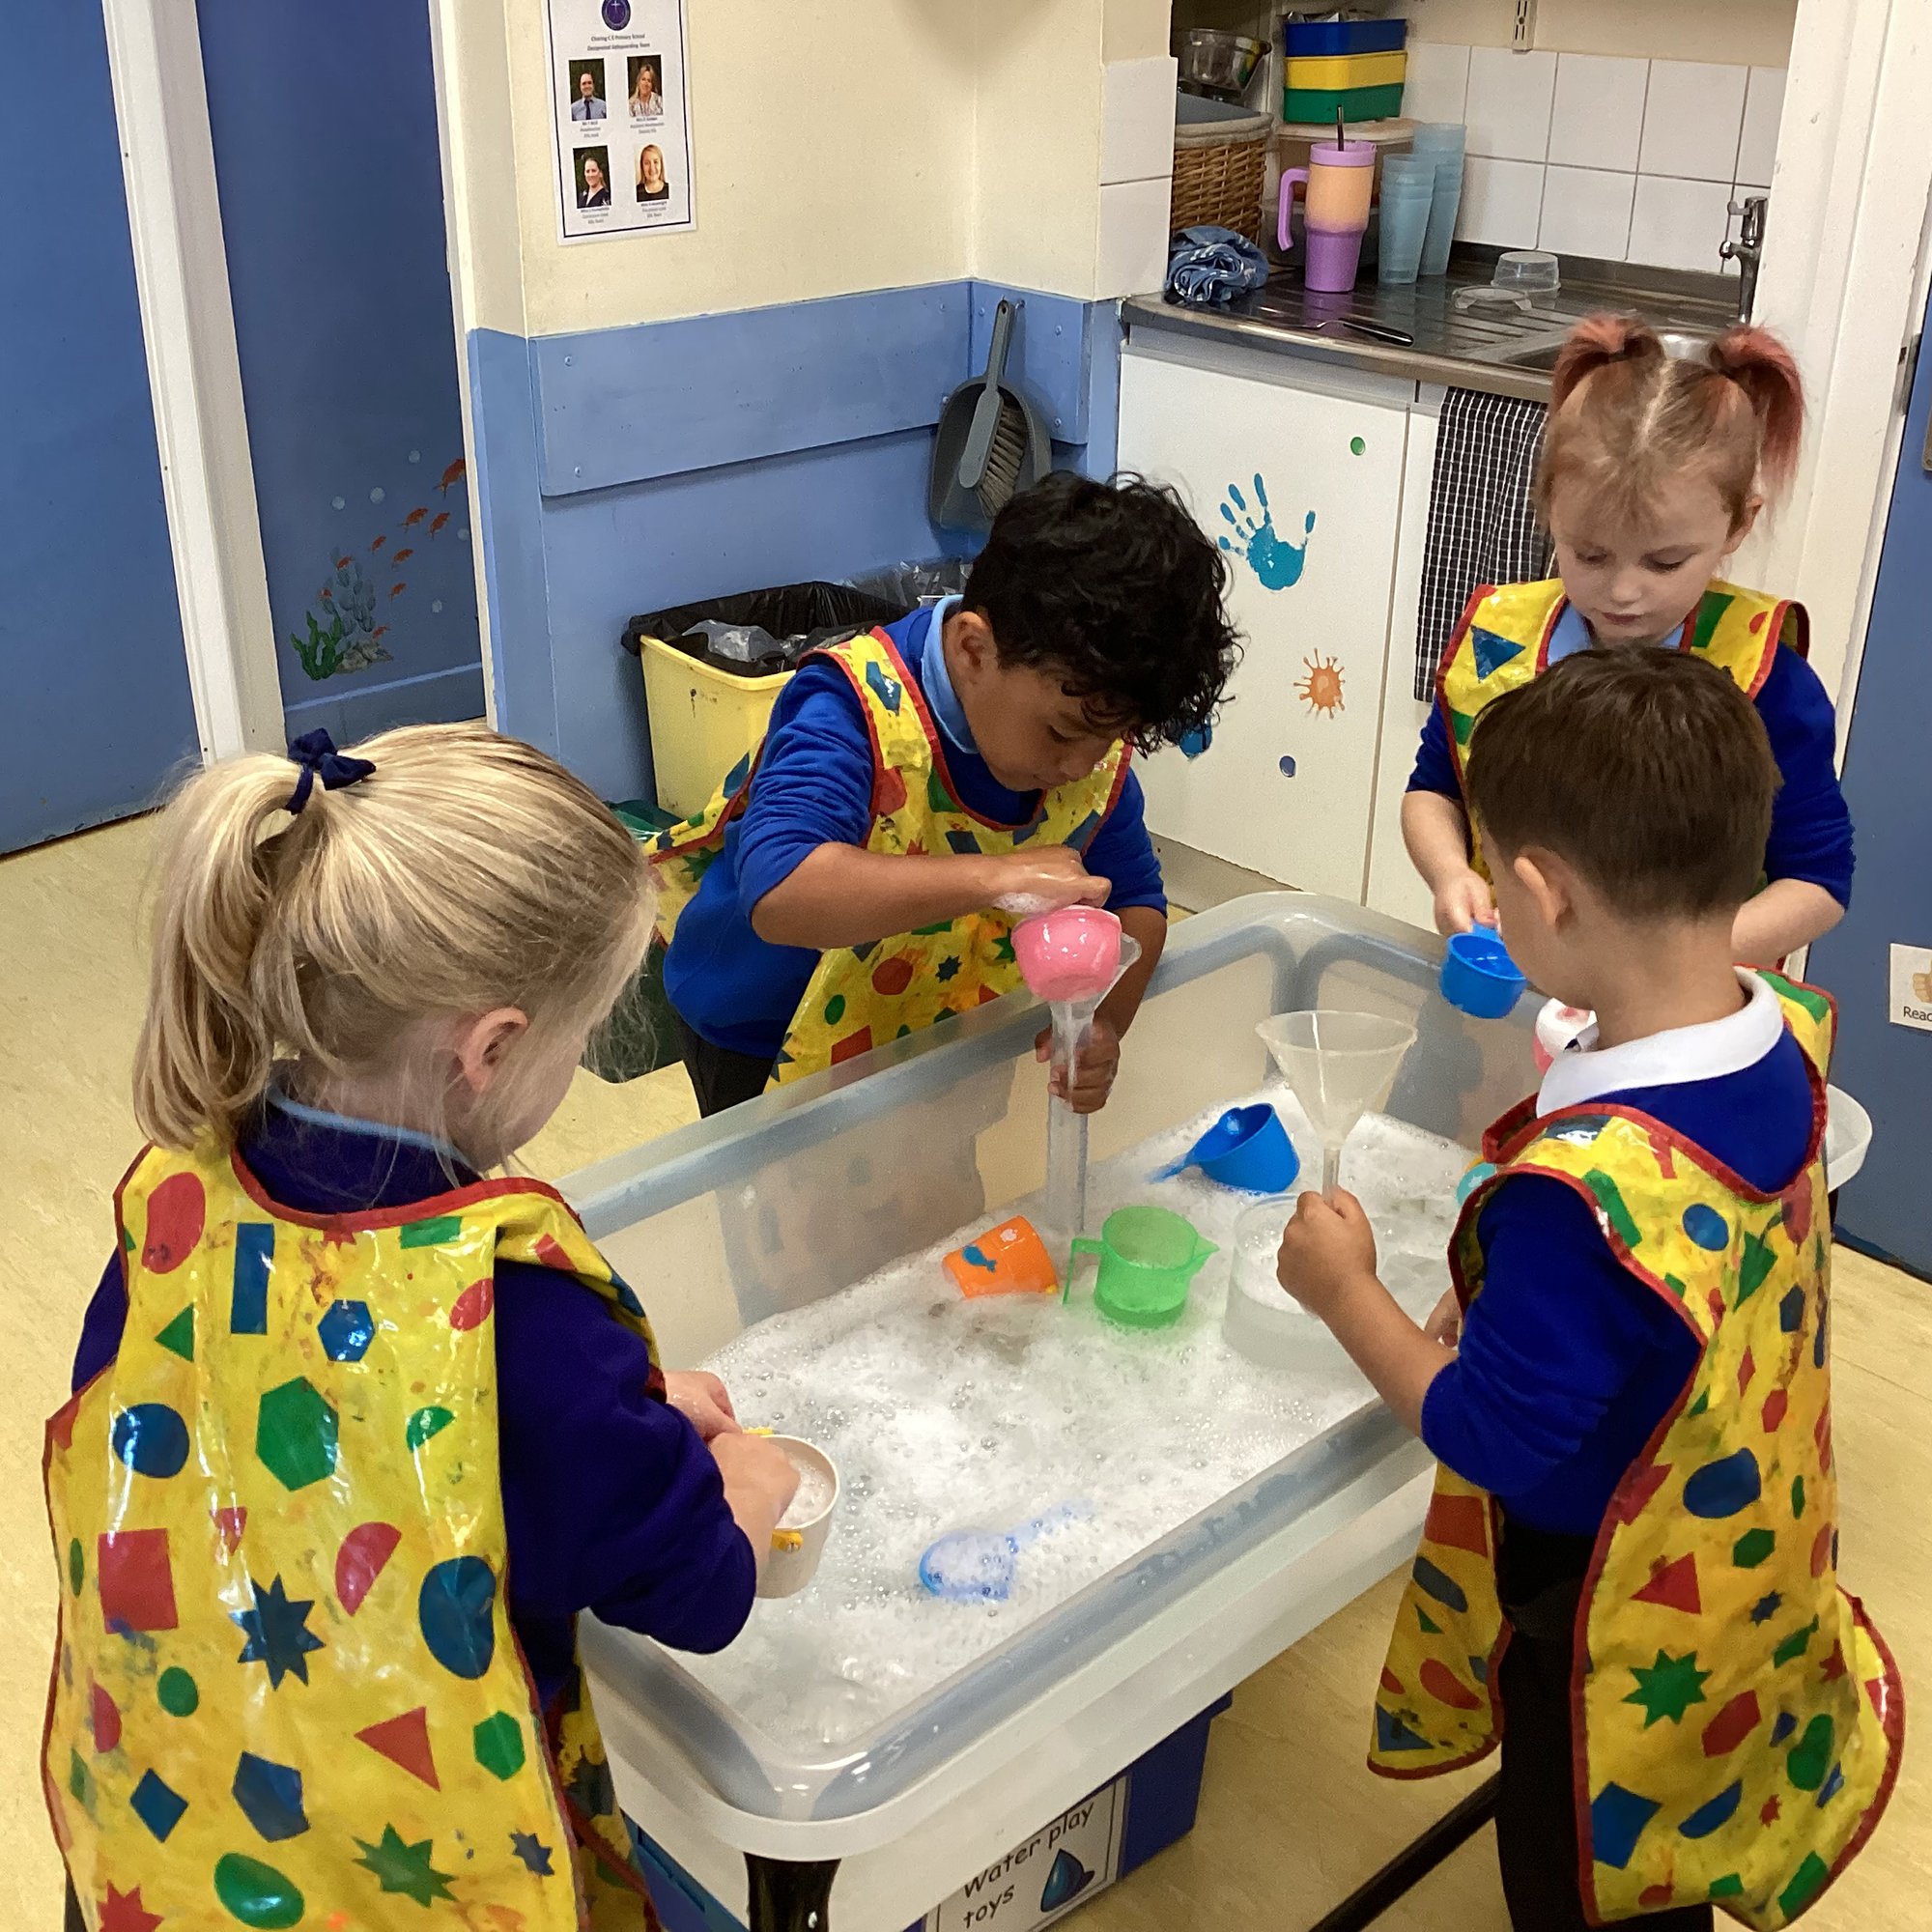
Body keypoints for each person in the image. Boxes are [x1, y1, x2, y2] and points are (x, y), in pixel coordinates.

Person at [44, 724, 799, 1932]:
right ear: (493, 1048)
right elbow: (698, 1593)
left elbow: (262, 1428)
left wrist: (635, 1428)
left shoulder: (173, 1200)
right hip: (394, 1881)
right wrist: (741, 1483)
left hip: (165, 1840)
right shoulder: (529, 1324)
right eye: (580, 1038)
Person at [1278, 651, 1900, 1930]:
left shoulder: (1582, 1198)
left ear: (1546, 894)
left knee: (1589, 1871)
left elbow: (1497, 1436)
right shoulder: (1779, 1036)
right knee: (1681, 1818)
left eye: (1499, 892)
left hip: (1606, 1583)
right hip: (1739, 1552)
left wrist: (1348, 1294)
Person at [653, 470, 1241, 1116]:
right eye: (1061, 732)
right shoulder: (851, 712)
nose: (1083, 765)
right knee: (796, 1208)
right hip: (761, 1023)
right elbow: (782, 891)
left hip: (936, 1012)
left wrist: (1103, 1024)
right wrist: (994, 878)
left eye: (1111, 737)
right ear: (972, 649)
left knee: (941, 1190)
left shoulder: (1084, 730)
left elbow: (1136, 904)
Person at [1405, 317, 1854, 966]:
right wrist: (1451, 874)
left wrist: (1675, 965)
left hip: (1678, 1021)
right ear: (1549, 508)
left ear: (1737, 525)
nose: (1622, 592)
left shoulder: (1766, 683)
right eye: (1589, 554)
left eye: (1665, 562)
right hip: (1508, 982)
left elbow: (1817, 879)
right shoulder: (1499, 642)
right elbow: (1434, 791)